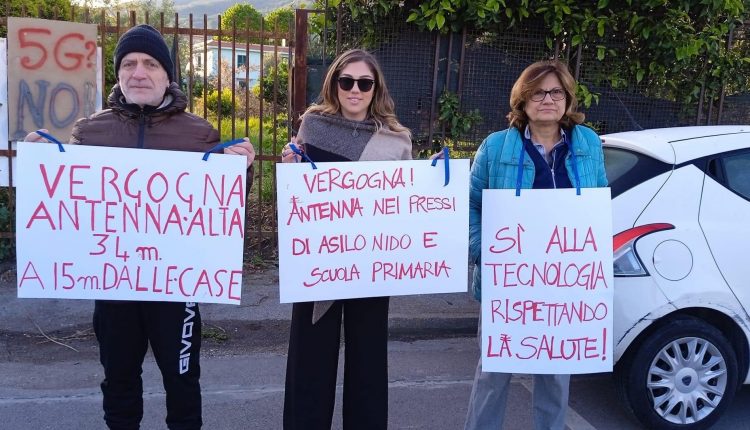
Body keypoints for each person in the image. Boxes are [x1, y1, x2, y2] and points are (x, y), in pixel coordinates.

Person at [25, 24, 255, 430]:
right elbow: (69, 204)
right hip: (114, 287)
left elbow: (223, 208)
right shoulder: (89, 132)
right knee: (118, 382)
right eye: (128, 64)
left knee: (183, 382)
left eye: (150, 63)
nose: (139, 72)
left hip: (176, 289)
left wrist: (244, 171)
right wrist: (40, 167)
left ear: (168, 75)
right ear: (118, 74)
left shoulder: (199, 133)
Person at [463, 60, 608, 430]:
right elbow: (470, 206)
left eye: (556, 91)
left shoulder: (588, 143)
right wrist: (486, 253)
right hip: (507, 286)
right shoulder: (496, 147)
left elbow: (598, 204)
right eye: (539, 92)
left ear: (567, 98)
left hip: (565, 287)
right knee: (493, 375)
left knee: (557, 379)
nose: (548, 99)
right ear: (523, 100)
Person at [280, 49, 412, 430]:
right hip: (317, 262)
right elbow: (300, 196)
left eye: (364, 83)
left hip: (370, 265)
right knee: (309, 361)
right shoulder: (312, 126)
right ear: (334, 84)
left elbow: (405, 205)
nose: (355, 90)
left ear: (376, 89)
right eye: (347, 81)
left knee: (368, 363)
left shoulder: (397, 140)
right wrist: (292, 170)